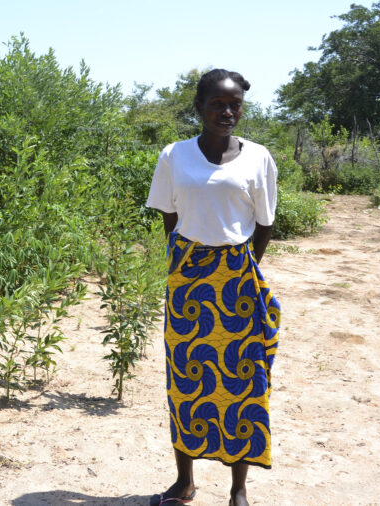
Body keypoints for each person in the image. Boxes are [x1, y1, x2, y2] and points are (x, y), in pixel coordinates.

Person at [144, 69, 281, 506]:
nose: (227, 112)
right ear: (199, 108)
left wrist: (239, 268)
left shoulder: (259, 157)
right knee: (186, 380)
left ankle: (238, 490)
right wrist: (187, 264)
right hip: (187, 279)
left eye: (235, 104)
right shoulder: (174, 155)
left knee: (243, 382)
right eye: (218, 104)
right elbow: (170, 217)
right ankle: (184, 482)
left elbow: (264, 224)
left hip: (237, 280)